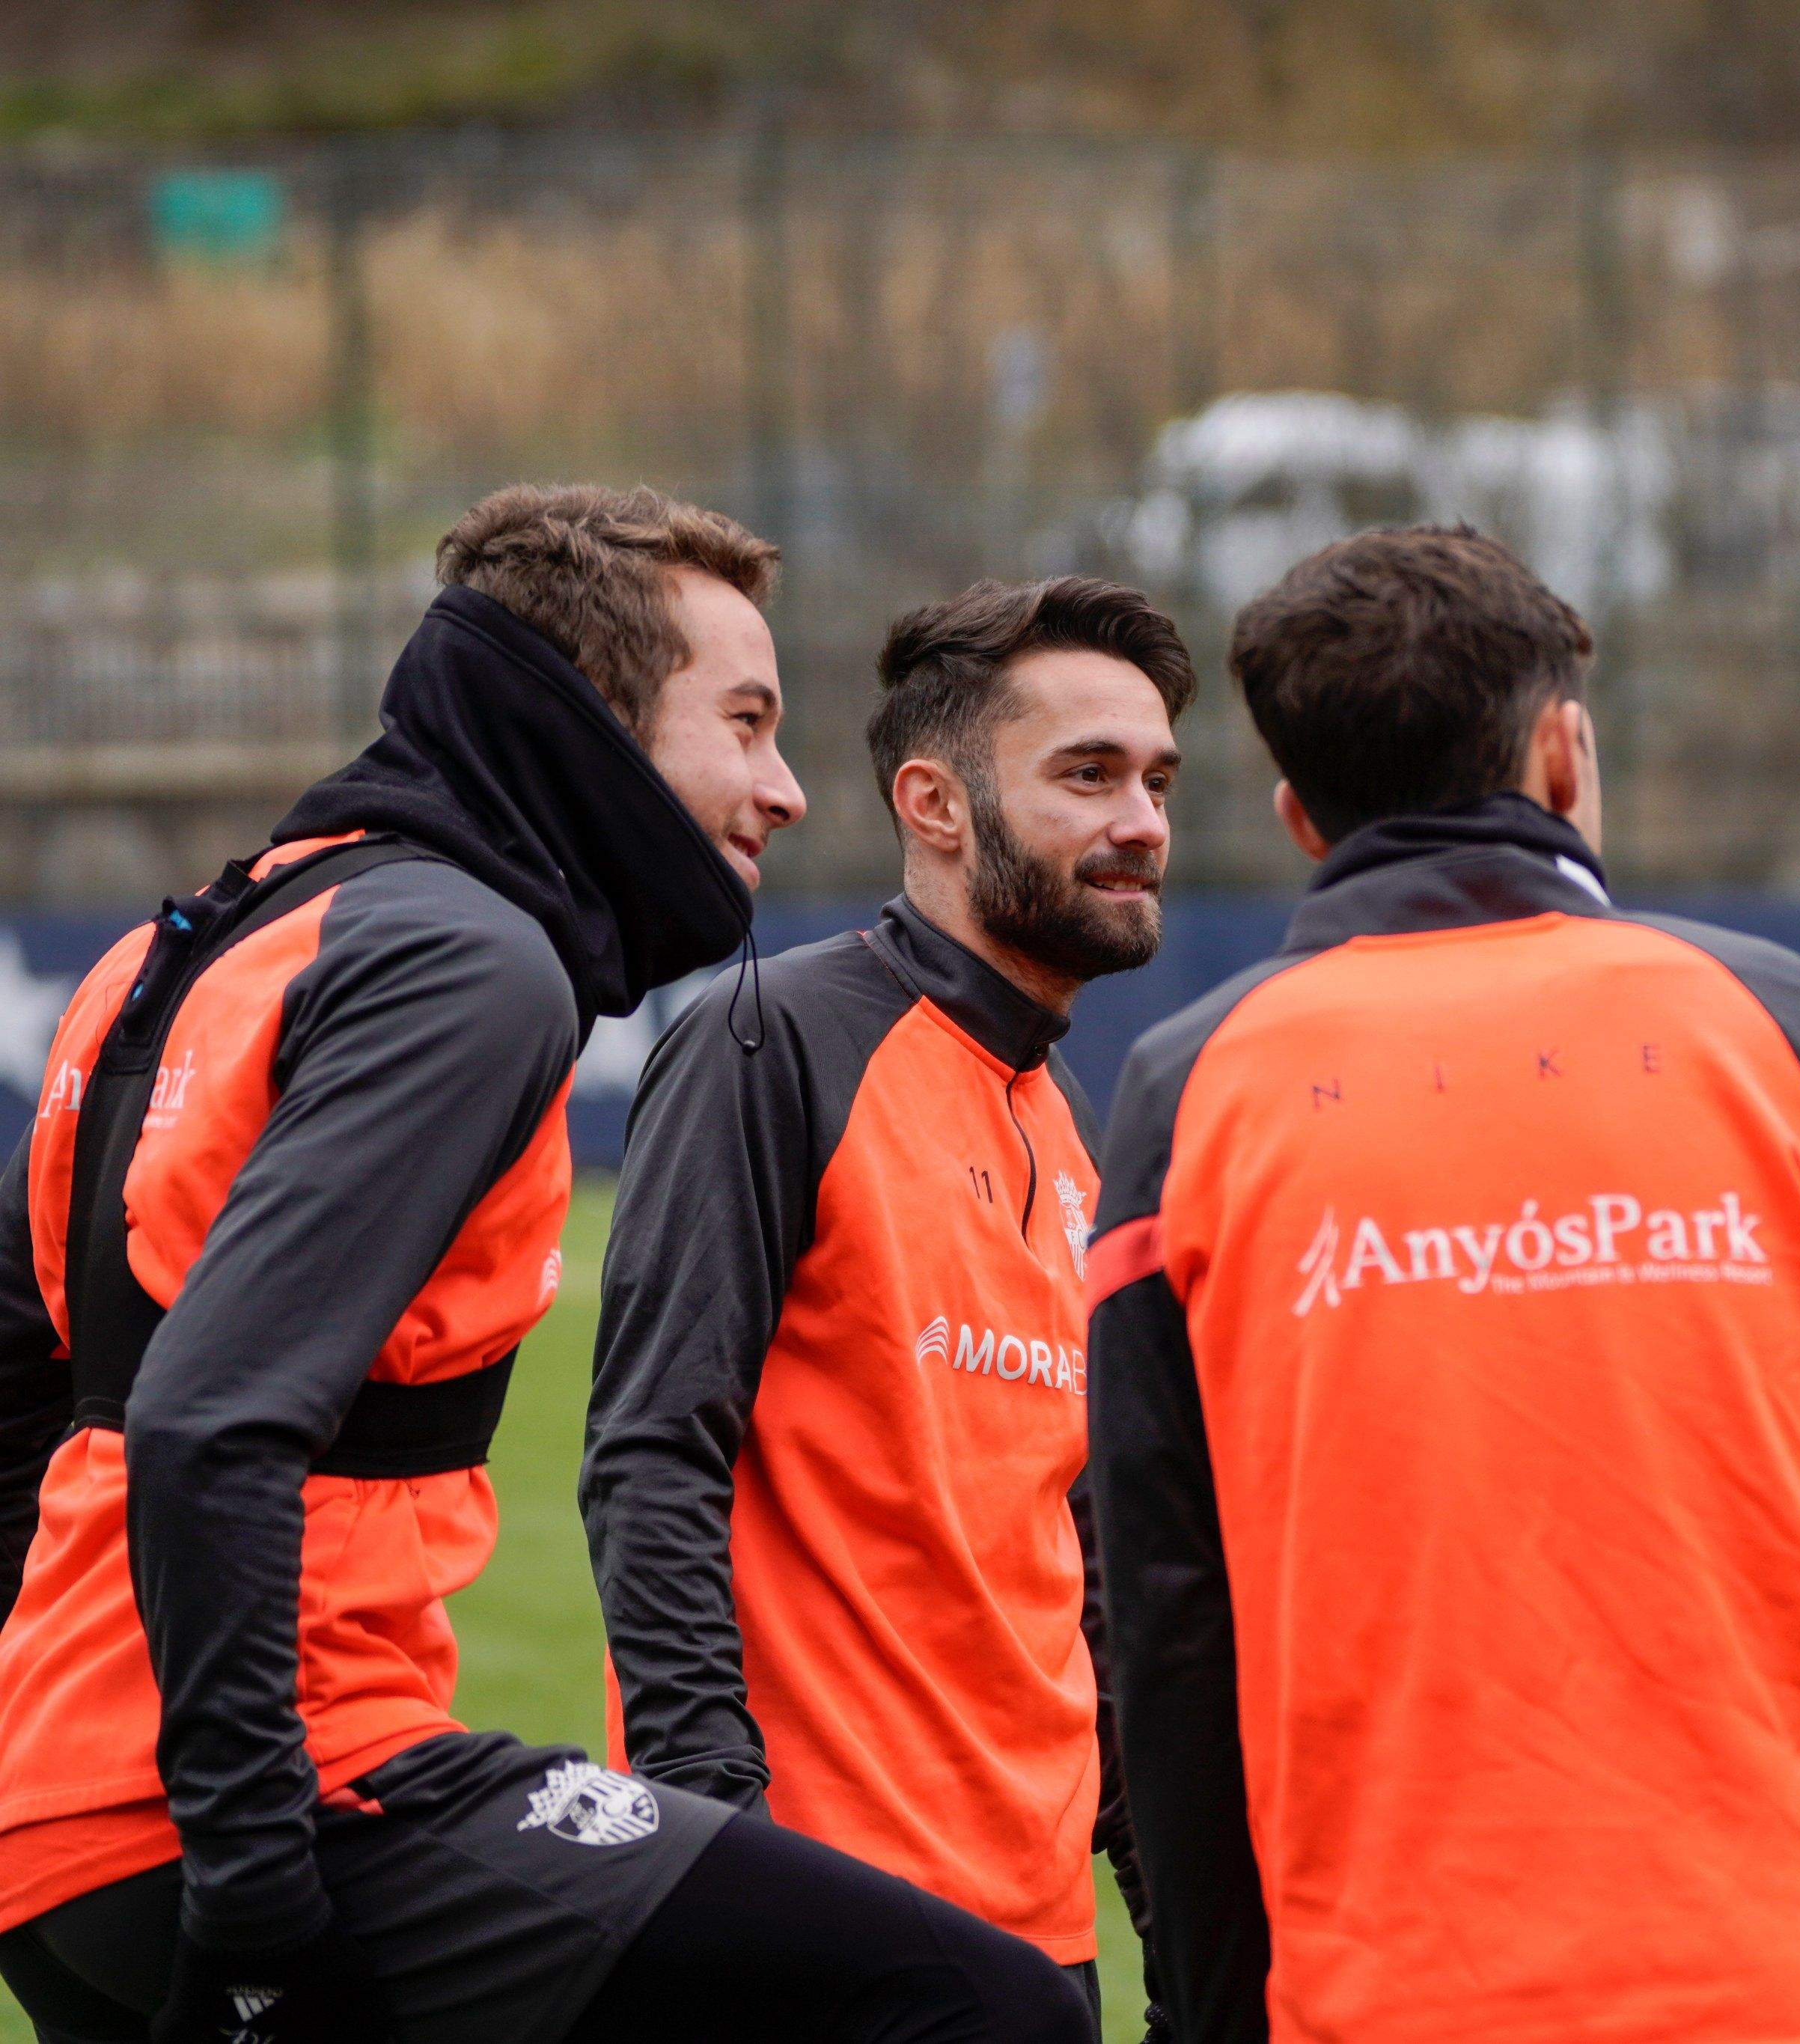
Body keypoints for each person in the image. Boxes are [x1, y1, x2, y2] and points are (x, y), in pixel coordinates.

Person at [0, 486, 1091, 2044]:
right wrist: (251, 1901)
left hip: (66, 1825)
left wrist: (53, 1781)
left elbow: (23, 1382)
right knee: (980, 2002)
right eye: (746, 721)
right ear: (587, 719)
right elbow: (205, 1421)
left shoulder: (181, 948)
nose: (785, 789)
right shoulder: (472, 961)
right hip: (276, 1810)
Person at [1084, 525, 1800, 2044]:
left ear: (1300, 816)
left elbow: (1166, 1633)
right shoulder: (1765, 1019)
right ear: (1564, 755)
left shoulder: (1189, 1088)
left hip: (1394, 1999)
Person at [582, 576, 1192, 2034]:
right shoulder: (773, 1040)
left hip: (1032, 1930)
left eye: (1158, 780)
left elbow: (1079, 1563)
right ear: (935, 804)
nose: (1142, 823)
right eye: (1088, 775)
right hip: (821, 1916)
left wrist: (1169, 1909)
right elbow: (651, 1459)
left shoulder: (1065, 1121)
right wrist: (719, 1860)